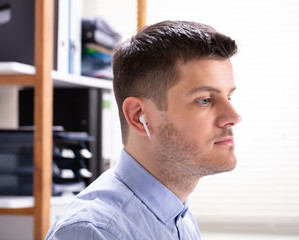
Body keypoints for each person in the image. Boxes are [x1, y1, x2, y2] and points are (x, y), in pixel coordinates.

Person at [45, 20, 241, 240]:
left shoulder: (178, 216)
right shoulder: (96, 231)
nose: (234, 117)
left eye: (229, 97)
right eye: (204, 100)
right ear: (139, 117)